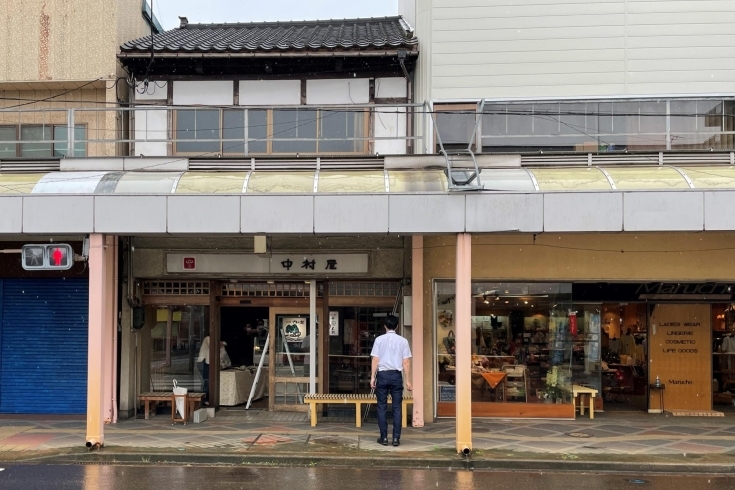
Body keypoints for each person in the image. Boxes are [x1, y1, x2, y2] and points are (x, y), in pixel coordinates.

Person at [370, 315, 412, 447]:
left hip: (382, 375)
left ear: (385, 326)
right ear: (397, 326)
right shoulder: (403, 341)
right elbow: (406, 361)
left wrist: (372, 377)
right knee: (397, 408)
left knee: (381, 407)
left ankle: (383, 438)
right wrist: (408, 380)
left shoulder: (379, 340)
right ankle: (396, 439)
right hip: (396, 376)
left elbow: (375, 359)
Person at [197, 335, 226, 405]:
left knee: (209, 381)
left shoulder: (217, 344)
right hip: (204, 361)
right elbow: (212, 344)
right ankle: (204, 399)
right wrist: (222, 343)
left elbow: (223, 353)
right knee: (207, 381)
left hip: (210, 363)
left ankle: (208, 398)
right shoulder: (208, 338)